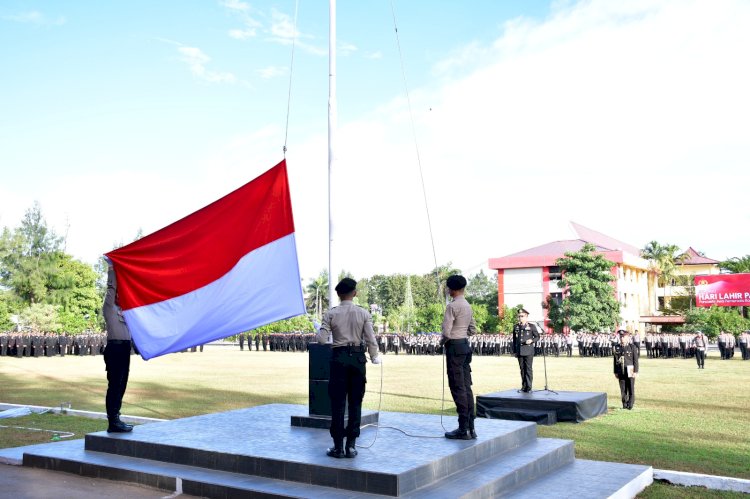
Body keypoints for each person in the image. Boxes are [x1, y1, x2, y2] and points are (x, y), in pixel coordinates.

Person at [316, 278, 380, 459]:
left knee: (337, 404)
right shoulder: (363, 313)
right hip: (358, 359)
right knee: (355, 403)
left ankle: (337, 447)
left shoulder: (331, 314)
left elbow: (321, 340)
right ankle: (351, 446)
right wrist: (374, 356)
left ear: (338, 294)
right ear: (355, 293)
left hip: (339, 359)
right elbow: (370, 339)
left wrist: (318, 329)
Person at [441, 275, 478, 440]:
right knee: (466, 385)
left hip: (454, 347)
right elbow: (473, 329)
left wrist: (442, 342)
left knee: (457, 387)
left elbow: (446, 332)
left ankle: (463, 429)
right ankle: (471, 426)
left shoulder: (452, 306)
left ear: (451, 289)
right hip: (465, 346)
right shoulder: (468, 305)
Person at [102, 264, 134, 433]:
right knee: (114, 385)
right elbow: (111, 287)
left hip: (125, 350)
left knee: (122, 385)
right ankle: (112, 421)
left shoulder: (126, 312)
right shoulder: (110, 308)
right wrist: (112, 269)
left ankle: (117, 417)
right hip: (115, 348)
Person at [512, 308, 540, 392]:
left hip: (528, 351)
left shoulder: (531, 326)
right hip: (519, 351)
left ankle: (529, 386)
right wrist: (514, 351)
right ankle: (523, 386)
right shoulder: (516, 326)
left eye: (522, 316)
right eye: (519, 316)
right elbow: (514, 340)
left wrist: (531, 340)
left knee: (528, 369)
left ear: (526, 316)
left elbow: (537, 337)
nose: (520, 318)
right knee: (522, 369)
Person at [613, 329, 639, 410]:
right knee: (623, 388)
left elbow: (635, 360)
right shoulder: (617, 347)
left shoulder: (632, 347)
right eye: (621, 337)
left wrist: (635, 371)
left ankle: (630, 404)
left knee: (631, 387)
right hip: (621, 370)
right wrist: (615, 371)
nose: (622, 338)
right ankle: (624, 404)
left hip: (630, 369)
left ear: (627, 337)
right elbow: (615, 360)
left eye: (623, 337)